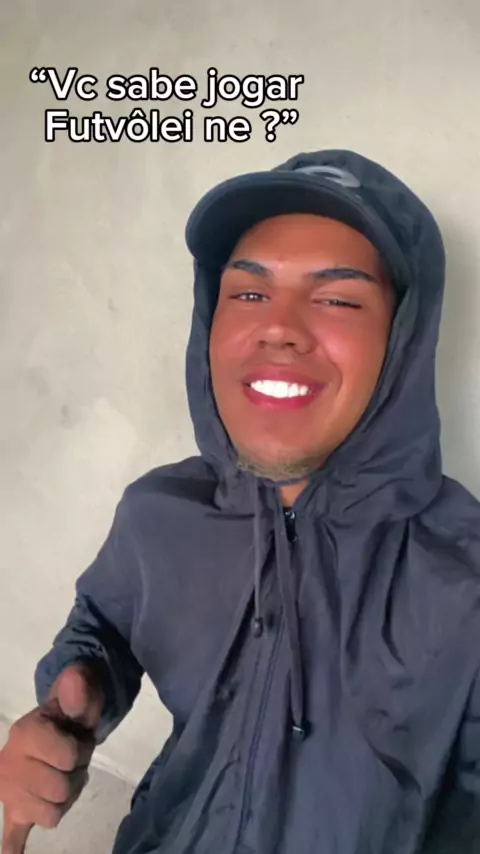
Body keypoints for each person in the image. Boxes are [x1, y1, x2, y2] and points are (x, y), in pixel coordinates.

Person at [1, 149, 479, 854]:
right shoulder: (159, 514)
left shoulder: (464, 576)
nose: (278, 326)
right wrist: (74, 700)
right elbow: (103, 624)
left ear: (403, 338)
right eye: (249, 294)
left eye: (338, 299)